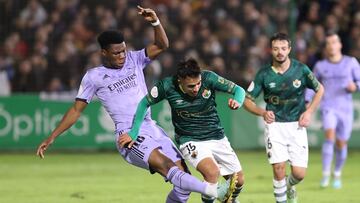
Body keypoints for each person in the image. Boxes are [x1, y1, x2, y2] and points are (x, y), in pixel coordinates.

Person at [36, 6, 230, 203]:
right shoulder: (93, 77)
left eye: (123, 50)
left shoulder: (134, 59)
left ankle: (209, 191)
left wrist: (155, 22)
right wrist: (53, 136)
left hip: (151, 128)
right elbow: (76, 110)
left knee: (183, 184)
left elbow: (162, 45)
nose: (122, 56)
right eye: (116, 53)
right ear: (104, 52)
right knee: (167, 166)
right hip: (128, 135)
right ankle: (215, 192)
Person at [119, 58, 245, 203]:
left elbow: (238, 90)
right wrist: (134, 132)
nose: (196, 88)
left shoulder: (209, 78)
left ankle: (228, 200)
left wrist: (238, 101)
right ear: (180, 80)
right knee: (212, 173)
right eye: (191, 86)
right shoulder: (166, 85)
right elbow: (144, 103)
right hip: (190, 140)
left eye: (198, 84)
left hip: (217, 137)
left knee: (238, 181)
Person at [243, 32, 324, 203]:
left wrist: (308, 112)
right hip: (275, 126)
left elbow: (320, 89)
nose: (280, 52)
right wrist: (263, 113)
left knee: (299, 174)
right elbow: (247, 101)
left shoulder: (301, 69)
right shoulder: (264, 74)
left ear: (289, 49)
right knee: (279, 167)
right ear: (270, 50)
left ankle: (290, 186)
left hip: (297, 126)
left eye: (283, 48)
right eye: (276, 49)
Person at [305, 32, 360, 189]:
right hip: (328, 106)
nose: (331, 45)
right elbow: (312, 85)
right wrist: (307, 100)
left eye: (334, 42)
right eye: (328, 43)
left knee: (341, 143)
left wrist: (355, 86)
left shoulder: (351, 62)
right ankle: (325, 174)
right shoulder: (320, 66)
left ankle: (337, 173)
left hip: (346, 109)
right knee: (329, 137)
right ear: (326, 47)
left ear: (340, 45)